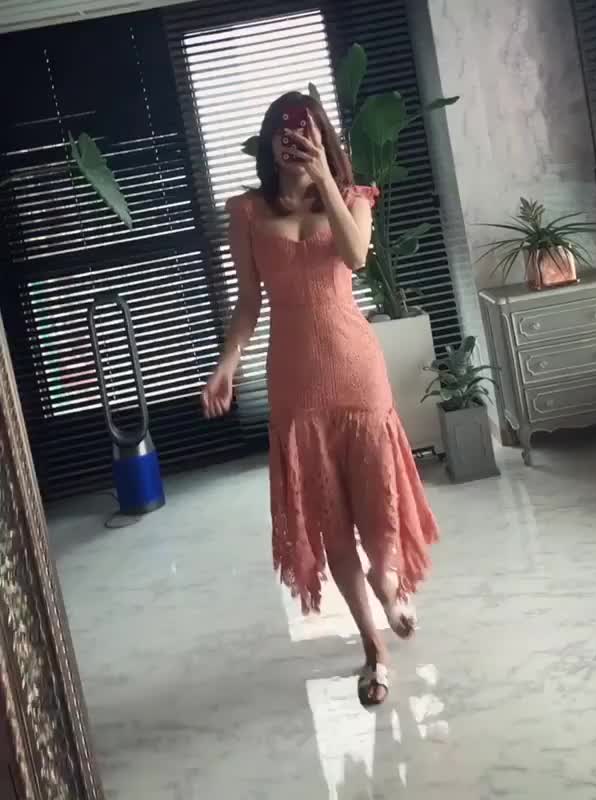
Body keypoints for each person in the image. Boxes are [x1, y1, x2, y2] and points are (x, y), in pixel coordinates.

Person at [201, 91, 438, 706]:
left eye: (304, 130)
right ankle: (374, 650)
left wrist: (327, 180)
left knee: (378, 501)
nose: (292, 140)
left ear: (322, 138)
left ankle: (389, 585)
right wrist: (226, 365)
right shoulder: (248, 212)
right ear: (268, 141)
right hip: (295, 382)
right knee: (332, 524)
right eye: (281, 131)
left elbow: (355, 257)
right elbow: (248, 305)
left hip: (358, 371)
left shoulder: (354, 199)